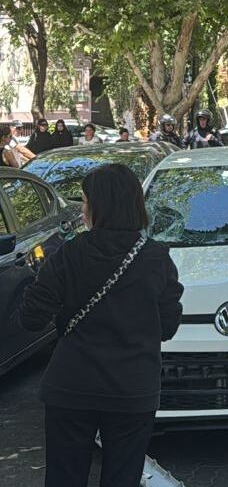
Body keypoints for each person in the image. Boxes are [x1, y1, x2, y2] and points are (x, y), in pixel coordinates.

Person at [14, 163, 183, 487]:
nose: (83, 208)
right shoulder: (156, 259)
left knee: (65, 477)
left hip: (72, 385)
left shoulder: (68, 254)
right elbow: (168, 327)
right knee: (123, 476)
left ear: (99, 206)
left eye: (85, 201)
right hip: (132, 386)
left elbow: (31, 318)